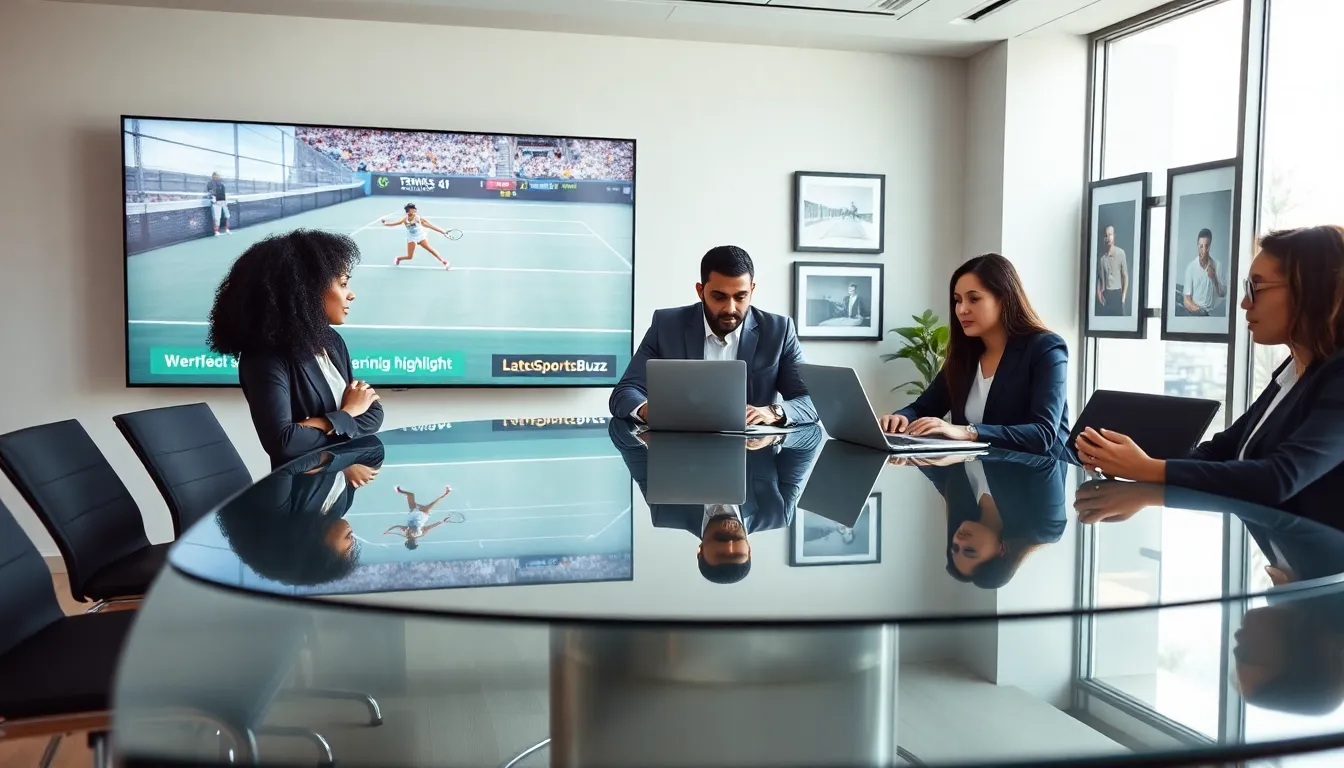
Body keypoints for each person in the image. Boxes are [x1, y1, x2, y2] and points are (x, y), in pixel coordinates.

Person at [1076, 225, 1344, 520]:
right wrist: (1137, 472)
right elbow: (1221, 450)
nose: (1244, 303)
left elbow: (1278, 478)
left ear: (1309, 290)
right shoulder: (1294, 369)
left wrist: (1146, 468)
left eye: (1256, 287)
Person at [207, 229, 385, 469]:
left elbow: (373, 412)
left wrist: (319, 423)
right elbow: (284, 442)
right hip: (299, 494)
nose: (351, 294)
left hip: (337, 483)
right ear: (307, 290)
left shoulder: (332, 340)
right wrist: (348, 413)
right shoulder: (264, 357)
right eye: (343, 284)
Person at [878, 253, 1071, 457]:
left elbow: (1043, 434)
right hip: (976, 476)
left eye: (974, 299)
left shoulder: (1045, 348)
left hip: (1037, 477)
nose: (961, 309)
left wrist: (968, 432)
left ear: (1004, 300)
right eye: (957, 300)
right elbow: (923, 407)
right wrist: (901, 419)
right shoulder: (966, 354)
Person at [609, 245, 817, 427]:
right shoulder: (666, 325)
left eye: (741, 296)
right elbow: (625, 392)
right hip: (682, 459)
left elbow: (811, 401)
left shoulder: (779, 330)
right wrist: (647, 410)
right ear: (701, 291)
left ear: (752, 290)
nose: (730, 308)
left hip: (755, 462)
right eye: (719, 297)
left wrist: (772, 412)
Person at [609, 419, 824, 584]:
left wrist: (644, 437)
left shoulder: (666, 512)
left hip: (684, 410)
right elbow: (812, 436)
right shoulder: (776, 512)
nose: (730, 543)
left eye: (721, 548)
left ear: (700, 549)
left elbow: (619, 433)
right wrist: (775, 438)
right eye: (738, 552)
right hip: (751, 396)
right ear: (749, 550)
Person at [895, 449, 1067, 589]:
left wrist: (902, 451)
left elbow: (924, 453)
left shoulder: (959, 499)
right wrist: (974, 447)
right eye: (970, 550)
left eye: (955, 547)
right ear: (1002, 552)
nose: (959, 541)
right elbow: (1045, 458)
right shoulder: (1045, 528)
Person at [383, 485, 456, 550]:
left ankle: (447, 492)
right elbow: (430, 527)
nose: (416, 541)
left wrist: (388, 531)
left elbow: (396, 527)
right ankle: (446, 492)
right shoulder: (420, 534)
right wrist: (442, 521)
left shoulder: (406, 532)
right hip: (423, 514)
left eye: (414, 543)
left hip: (413, 514)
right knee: (431, 504)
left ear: (411, 542)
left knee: (411, 495)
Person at [381, 203, 451, 268]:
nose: (414, 210)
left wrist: (442, 232)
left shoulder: (418, 219)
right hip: (411, 238)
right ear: (408, 211)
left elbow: (431, 226)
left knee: (430, 250)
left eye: (414, 209)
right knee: (410, 257)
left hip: (420, 237)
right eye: (412, 209)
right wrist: (386, 224)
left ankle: (444, 262)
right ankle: (398, 258)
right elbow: (395, 223)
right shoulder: (405, 219)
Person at [1181, 228, 1227, 316]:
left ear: (1210, 246)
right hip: (1196, 313)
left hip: (1213, 315)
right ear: (1197, 245)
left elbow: (1223, 294)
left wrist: (1214, 278)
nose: (1204, 250)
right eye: (1201, 246)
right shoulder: (1191, 268)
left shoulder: (1218, 265)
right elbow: (1186, 300)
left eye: (1207, 246)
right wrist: (1200, 311)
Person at [1095, 225, 1128, 316]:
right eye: (1106, 235)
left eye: (1110, 235)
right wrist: (1099, 295)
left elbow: (1125, 276)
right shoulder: (1102, 259)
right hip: (1106, 296)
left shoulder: (1121, 253)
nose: (1108, 238)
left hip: (1117, 294)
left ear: (1114, 236)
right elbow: (1099, 279)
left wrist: (1123, 298)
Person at [206, 172, 231, 236]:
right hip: (216, 203)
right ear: (213, 176)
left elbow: (223, 192)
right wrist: (213, 198)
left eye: (218, 175)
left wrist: (225, 200)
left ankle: (227, 229)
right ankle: (216, 231)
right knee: (217, 217)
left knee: (227, 215)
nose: (218, 176)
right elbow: (210, 191)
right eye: (216, 175)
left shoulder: (221, 183)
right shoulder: (210, 183)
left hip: (223, 201)